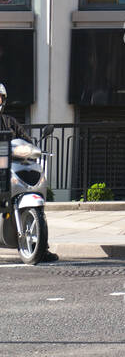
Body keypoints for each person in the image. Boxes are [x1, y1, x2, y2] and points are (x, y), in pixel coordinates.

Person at [0, 84, 57, 262]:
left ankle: (41, 247)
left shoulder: (9, 122)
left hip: (11, 166)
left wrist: (32, 147)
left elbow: (25, 139)